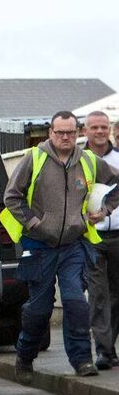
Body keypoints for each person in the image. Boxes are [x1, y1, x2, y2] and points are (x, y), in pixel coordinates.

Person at [2, 110, 119, 381]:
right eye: (59, 132)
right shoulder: (34, 158)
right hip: (39, 245)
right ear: (50, 133)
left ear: (77, 133)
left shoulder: (88, 160)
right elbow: (11, 197)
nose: (65, 137)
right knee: (39, 309)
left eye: (70, 132)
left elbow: (116, 185)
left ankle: (82, 361)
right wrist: (33, 223)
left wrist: (104, 211)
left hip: (73, 245)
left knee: (76, 302)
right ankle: (25, 357)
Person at [83, 111, 119, 371]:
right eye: (94, 127)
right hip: (91, 237)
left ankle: (110, 347)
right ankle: (104, 351)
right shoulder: (77, 160)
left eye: (103, 127)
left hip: (118, 234)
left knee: (116, 296)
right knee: (98, 295)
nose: (99, 131)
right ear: (85, 130)